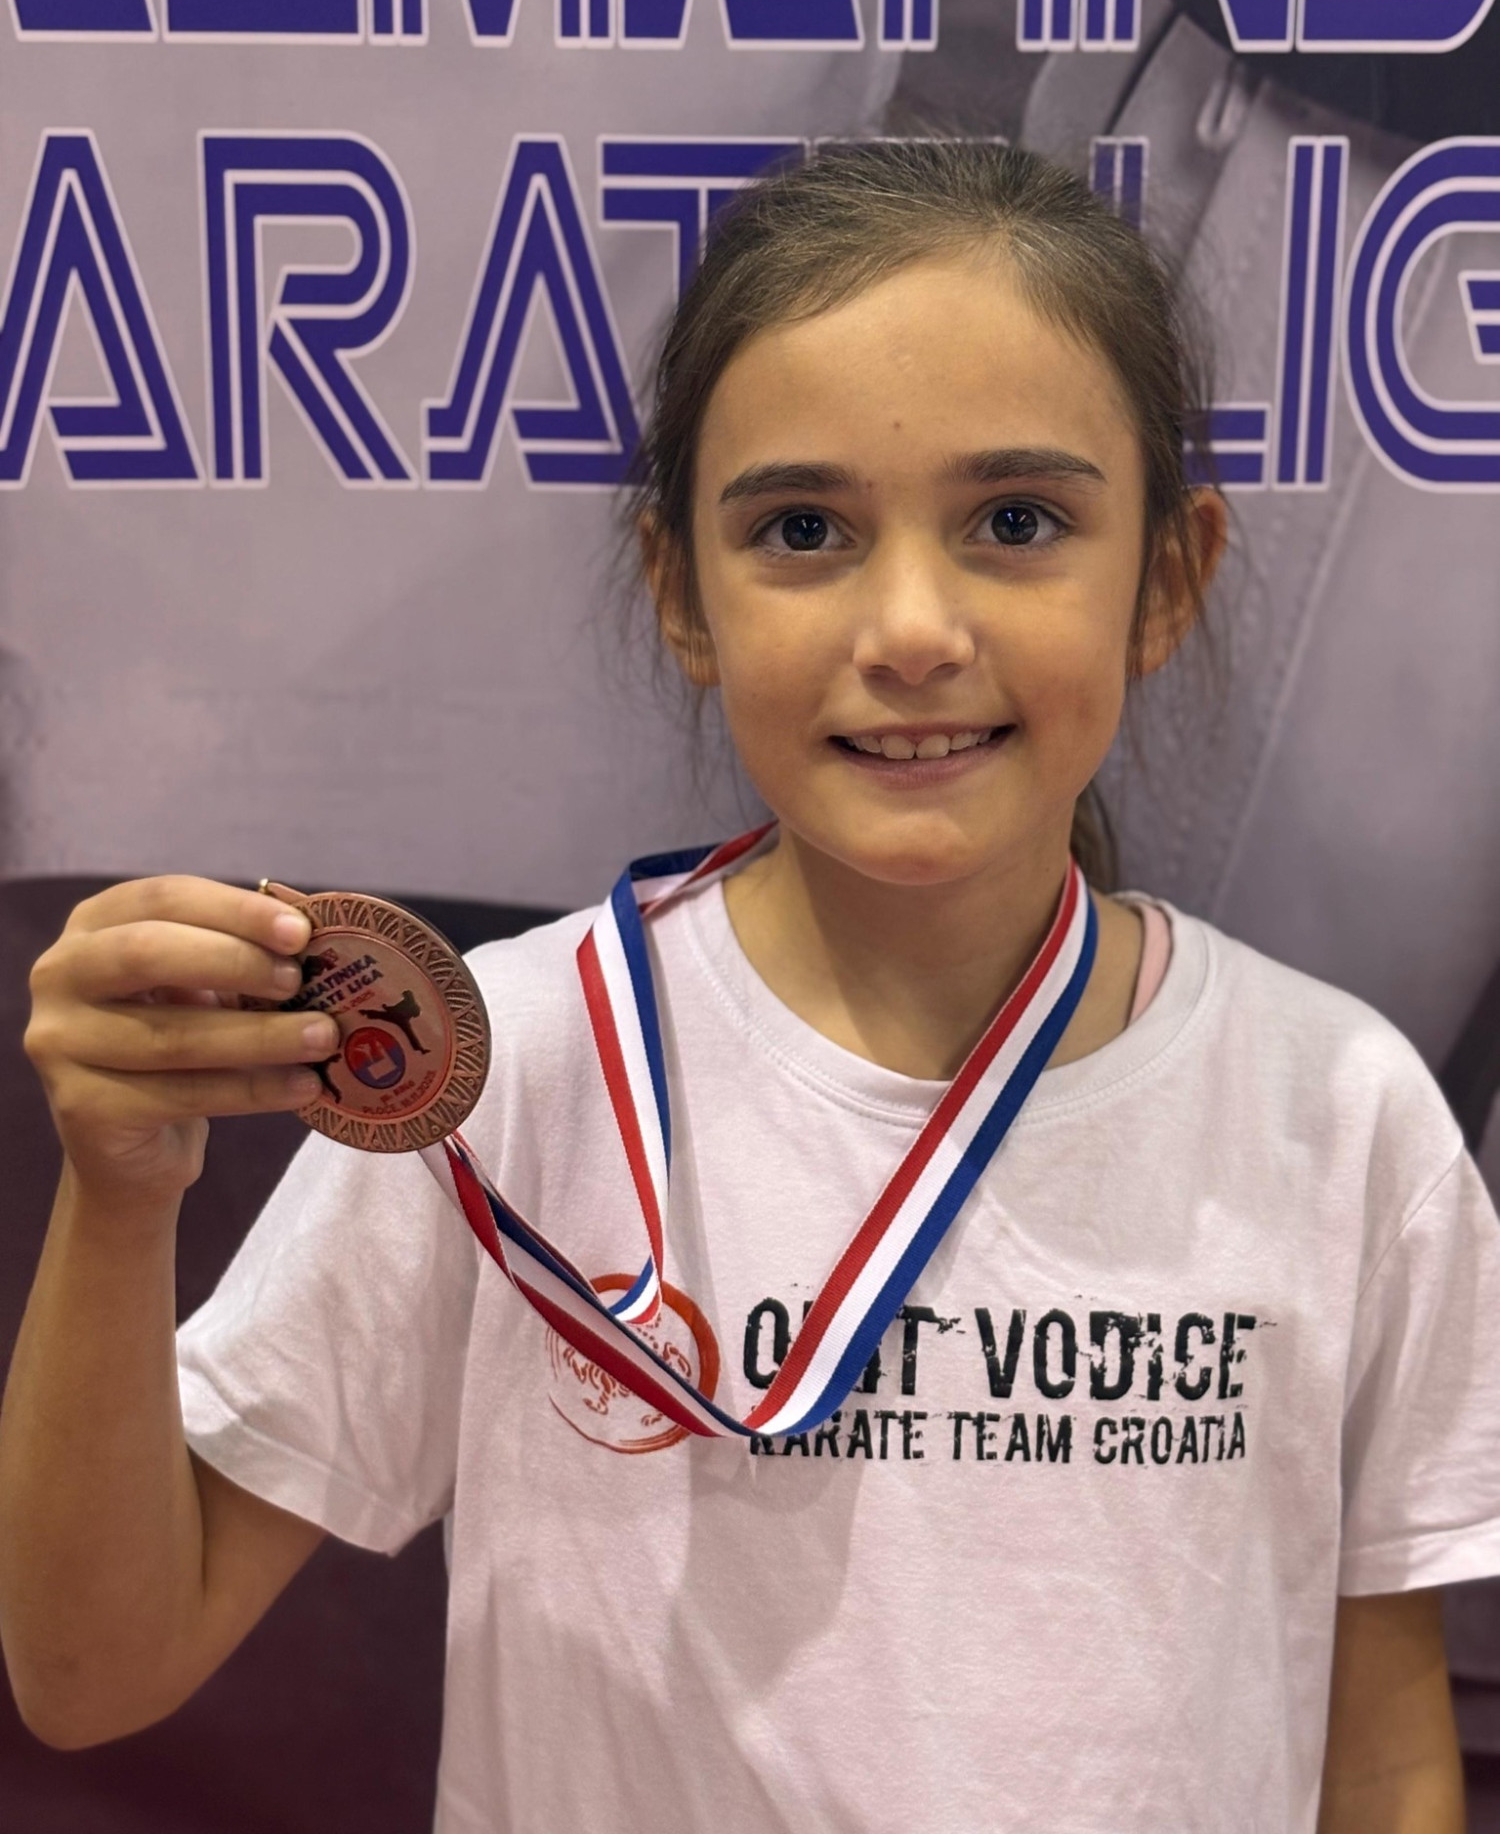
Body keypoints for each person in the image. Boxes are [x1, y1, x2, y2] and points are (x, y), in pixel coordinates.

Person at [3, 143, 1497, 1834]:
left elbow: (1381, 1756)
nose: (913, 628)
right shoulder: (522, 1071)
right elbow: (91, 1671)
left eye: (1018, 522)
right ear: (684, 596)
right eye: (804, 530)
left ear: (1165, 577)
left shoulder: (1339, 1118)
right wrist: (118, 1197)